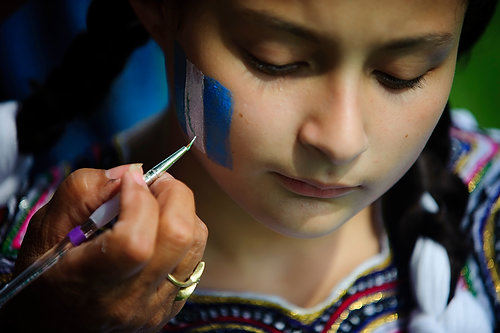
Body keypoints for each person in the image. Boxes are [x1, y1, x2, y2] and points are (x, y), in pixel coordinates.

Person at [0, 0, 499, 331]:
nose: (341, 141)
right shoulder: (37, 264)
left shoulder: (487, 203)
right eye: (275, 60)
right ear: (157, 8)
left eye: (401, 75)